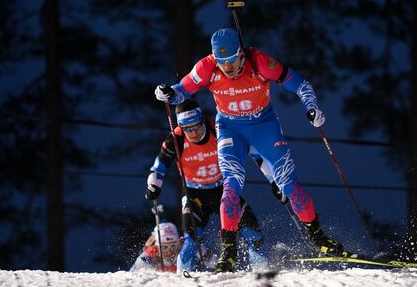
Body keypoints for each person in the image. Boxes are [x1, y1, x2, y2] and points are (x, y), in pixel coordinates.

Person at [154, 28, 349, 273]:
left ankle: (320, 240)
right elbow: (180, 91)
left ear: (241, 54)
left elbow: (300, 83)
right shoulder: (206, 67)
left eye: (231, 61)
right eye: (221, 62)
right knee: (231, 186)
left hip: (264, 126)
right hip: (230, 128)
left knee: (289, 185)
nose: (227, 68)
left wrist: (312, 108)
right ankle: (229, 251)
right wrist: (167, 92)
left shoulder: (261, 63)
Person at [145, 99, 279, 272]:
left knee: (252, 233)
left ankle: (261, 274)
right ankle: (181, 281)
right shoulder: (176, 139)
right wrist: (153, 186)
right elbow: (158, 168)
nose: (192, 132)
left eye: (196, 126)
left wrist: (273, 180)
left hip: (223, 190)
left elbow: (255, 154)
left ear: (203, 120)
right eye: (187, 128)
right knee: (192, 240)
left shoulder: (219, 129)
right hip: (195, 195)